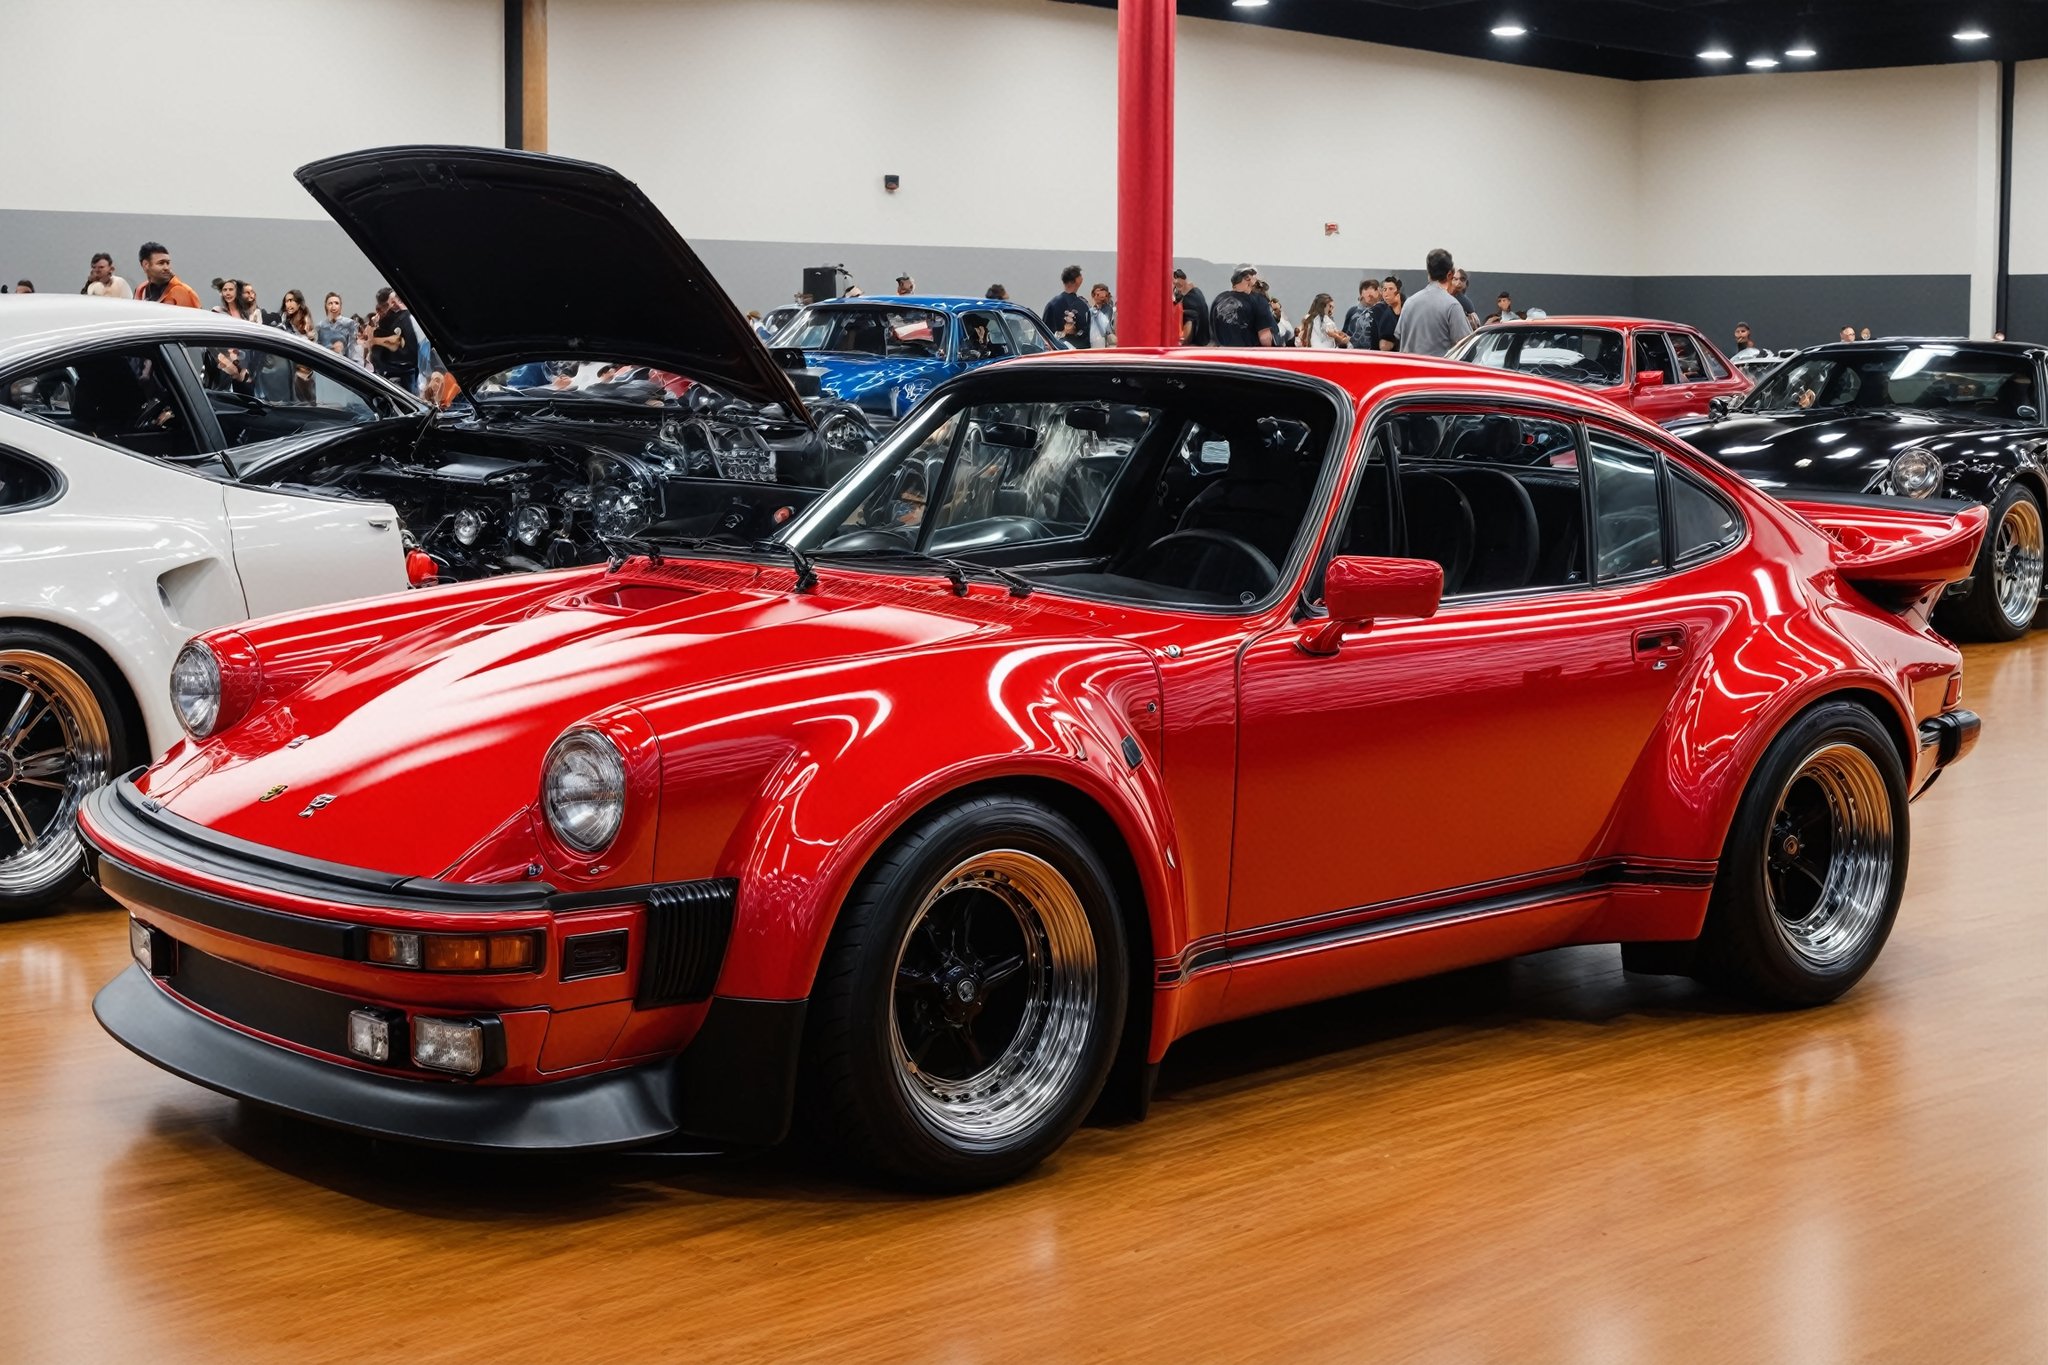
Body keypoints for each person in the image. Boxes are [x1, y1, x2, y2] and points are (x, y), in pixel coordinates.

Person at [1395, 248, 1469, 357]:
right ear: (1450, 275)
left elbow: (1399, 336)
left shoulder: (1409, 303)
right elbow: (1465, 346)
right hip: (1437, 372)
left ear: (1429, 273)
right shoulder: (1452, 305)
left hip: (1409, 371)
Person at [367, 286, 420, 391]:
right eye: (387, 305)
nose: (394, 305)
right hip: (388, 372)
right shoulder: (382, 323)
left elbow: (408, 350)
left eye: (395, 301)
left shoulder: (405, 318)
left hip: (403, 372)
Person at [1210, 265, 1276, 346]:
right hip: (1247, 355)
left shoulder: (1218, 299)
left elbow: (1212, 332)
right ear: (1248, 278)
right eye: (1255, 277)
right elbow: (1265, 337)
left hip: (1222, 354)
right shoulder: (1258, 301)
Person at [134, 243, 200, 307]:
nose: (166, 268)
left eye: (168, 263)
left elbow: (190, 317)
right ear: (146, 265)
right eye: (161, 263)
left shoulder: (181, 291)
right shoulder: (141, 289)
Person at [1044, 265, 1091, 348]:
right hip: (1080, 352)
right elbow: (1088, 331)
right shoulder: (1082, 305)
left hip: (1055, 351)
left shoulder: (1052, 304)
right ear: (1077, 280)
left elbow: (1044, 331)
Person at [1341, 279, 1382, 350]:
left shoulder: (1381, 312)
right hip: (1353, 352)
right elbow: (1344, 333)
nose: (1370, 294)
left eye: (1373, 289)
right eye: (1366, 289)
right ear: (1361, 293)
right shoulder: (1352, 311)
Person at [316, 291, 357, 361]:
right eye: (330, 303)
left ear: (340, 306)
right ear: (326, 306)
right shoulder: (320, 326)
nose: (333, 306)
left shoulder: (349, 324)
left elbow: (352, 351)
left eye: (336, 303)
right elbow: (317, 349)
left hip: (343, 364)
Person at [1173, 268, 1210, 345]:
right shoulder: (1197, 292)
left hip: (1194, 343)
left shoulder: (1188, 303)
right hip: (1204, 339)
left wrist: (1183, 344)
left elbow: (1188, 323)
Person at [1088, 283, 1116, 348]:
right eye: (1098, 294)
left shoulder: (1108, 309)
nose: (1101, 297)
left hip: (1105, 340)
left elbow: (1106, 326)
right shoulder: (1090, 310)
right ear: (1093, 295)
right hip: (1092, 340)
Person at [1379, 276, 1404, 350]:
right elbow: (1384, 346)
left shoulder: (1407, 311)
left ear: (1398, 292)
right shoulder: (1386, 316)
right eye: (1384, 290)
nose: (1386, 293)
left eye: (1391, 289)